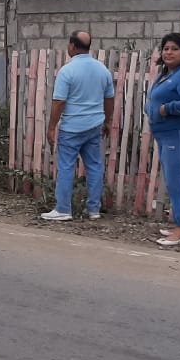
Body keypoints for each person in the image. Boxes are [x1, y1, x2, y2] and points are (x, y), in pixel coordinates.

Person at [41, 31, 116, 221]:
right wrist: (107, 121)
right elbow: (109, 99)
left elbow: (59, 102)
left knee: (66, 167)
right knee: (94, 166)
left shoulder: (67, 71)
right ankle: (93, 210)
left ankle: (63, 209)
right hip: (94, 126)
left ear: (72, 46)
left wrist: (51, 127)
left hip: (72, 128)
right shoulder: (102, 70)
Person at [145, 32, 180, 247]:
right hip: (166, 135)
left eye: (174, 49)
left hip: (178, 136)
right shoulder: (166, 74)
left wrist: (166, 109)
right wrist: (151, 109)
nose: (169, 52)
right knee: (173, 182)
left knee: (178, 184)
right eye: (166, 48)